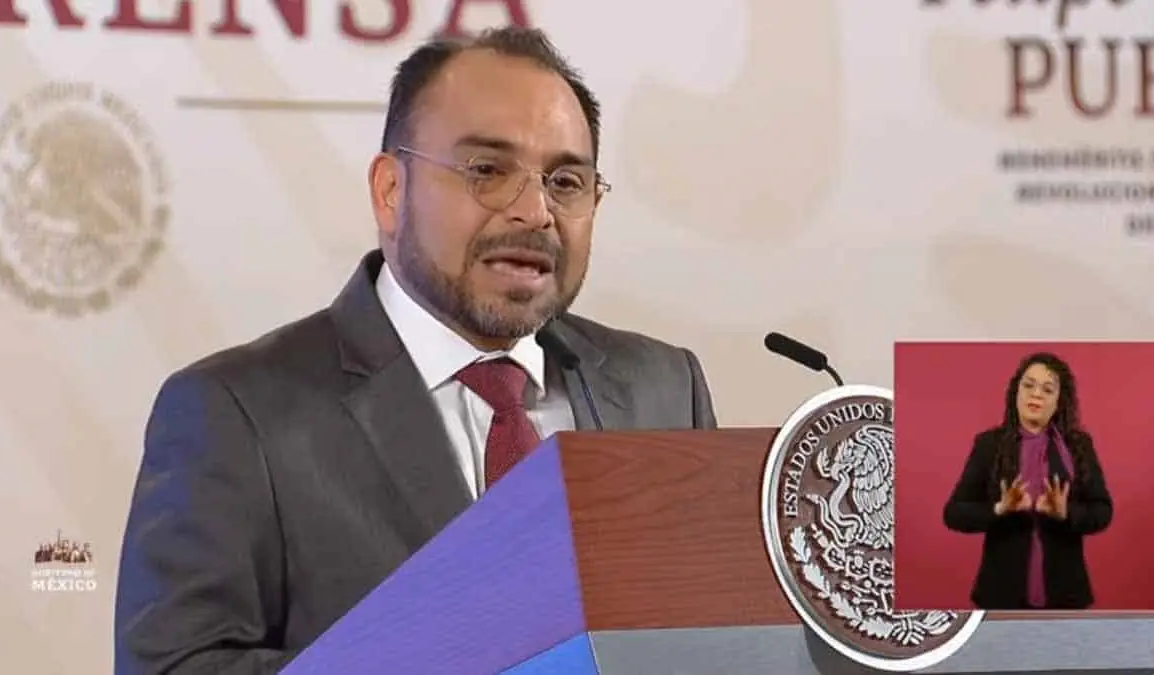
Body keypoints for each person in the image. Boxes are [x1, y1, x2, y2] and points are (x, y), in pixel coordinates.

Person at [113, 26, 717, 675]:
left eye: (566, 181)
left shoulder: (663, 389)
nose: (535, 211)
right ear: (390, 191)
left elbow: (720, 633)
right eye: (487, 171)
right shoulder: (237, 413)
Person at [942, 352, 1112, 610]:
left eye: (1047, 389)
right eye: (1029, 385)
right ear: (1016, 391)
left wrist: (1066, 513)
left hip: (1066, 595)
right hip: (1000, 595)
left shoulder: (1078, 446)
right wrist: (1000, 508)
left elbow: (1103, 511)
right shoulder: (989, 444)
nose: (1036, 394)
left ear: (1059, 400)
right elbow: (954, 514)